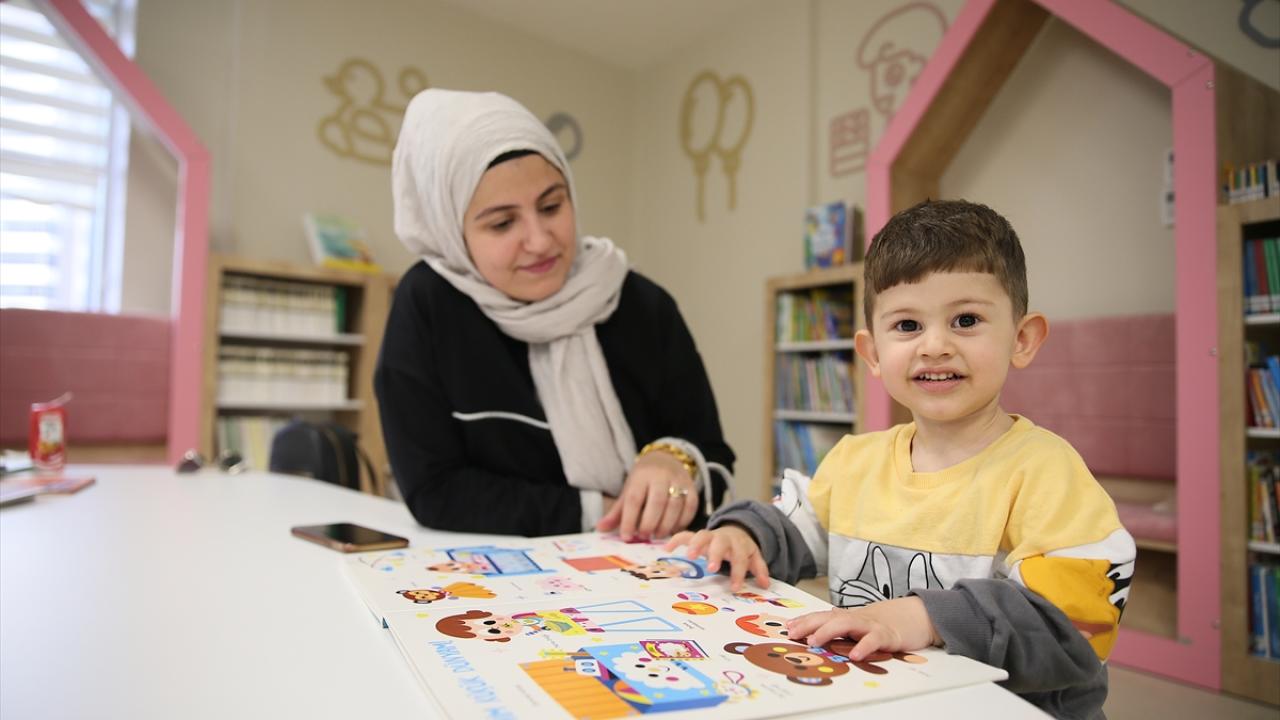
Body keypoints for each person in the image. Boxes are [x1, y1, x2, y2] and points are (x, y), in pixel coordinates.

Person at [667, 199, 1135, 718]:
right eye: (908, 325)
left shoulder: (1047, 472)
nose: (934, 346)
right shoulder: (855, 461)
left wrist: (923, 618)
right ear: (872, 354)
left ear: (1021, 340)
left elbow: (1078, 626)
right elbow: (793, 527)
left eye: (965, 320)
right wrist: (744, 534)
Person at [377, 88, 734, 539]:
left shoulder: (643, 305)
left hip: (650, 561)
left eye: (551, 206)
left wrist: (674, 460)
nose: (541, 240)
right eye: (502, 223)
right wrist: (604, 512)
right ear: (452, 232)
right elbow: (434, 489)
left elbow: (714, 458)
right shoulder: (429, 304)